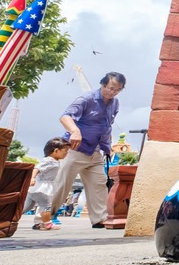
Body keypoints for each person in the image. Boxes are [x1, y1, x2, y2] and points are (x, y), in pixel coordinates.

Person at [50, 72, 125, 229]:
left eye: (118, 90)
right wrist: (75, 131)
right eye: (111, 88)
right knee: (62, 184)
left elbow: (106, 125)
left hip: (96, 151)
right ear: (103, 84)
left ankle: (100, 219)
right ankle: (44, 218)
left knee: (99, 183)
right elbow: (65, 117)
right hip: (76, 149)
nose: (113, 92)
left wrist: (107, 146)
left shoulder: (115, 103)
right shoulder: (86, 99)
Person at [21, 137, 70, 231]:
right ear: (56, 150)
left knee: (26, 206)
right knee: (46, 205)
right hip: (41, 187)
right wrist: (32, 178)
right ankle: (47, 224)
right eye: (65, 150)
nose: (66, 153)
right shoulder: (49, 160)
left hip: (37, 187)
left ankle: (9, 217)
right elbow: (37, 168)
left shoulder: (54, 161)